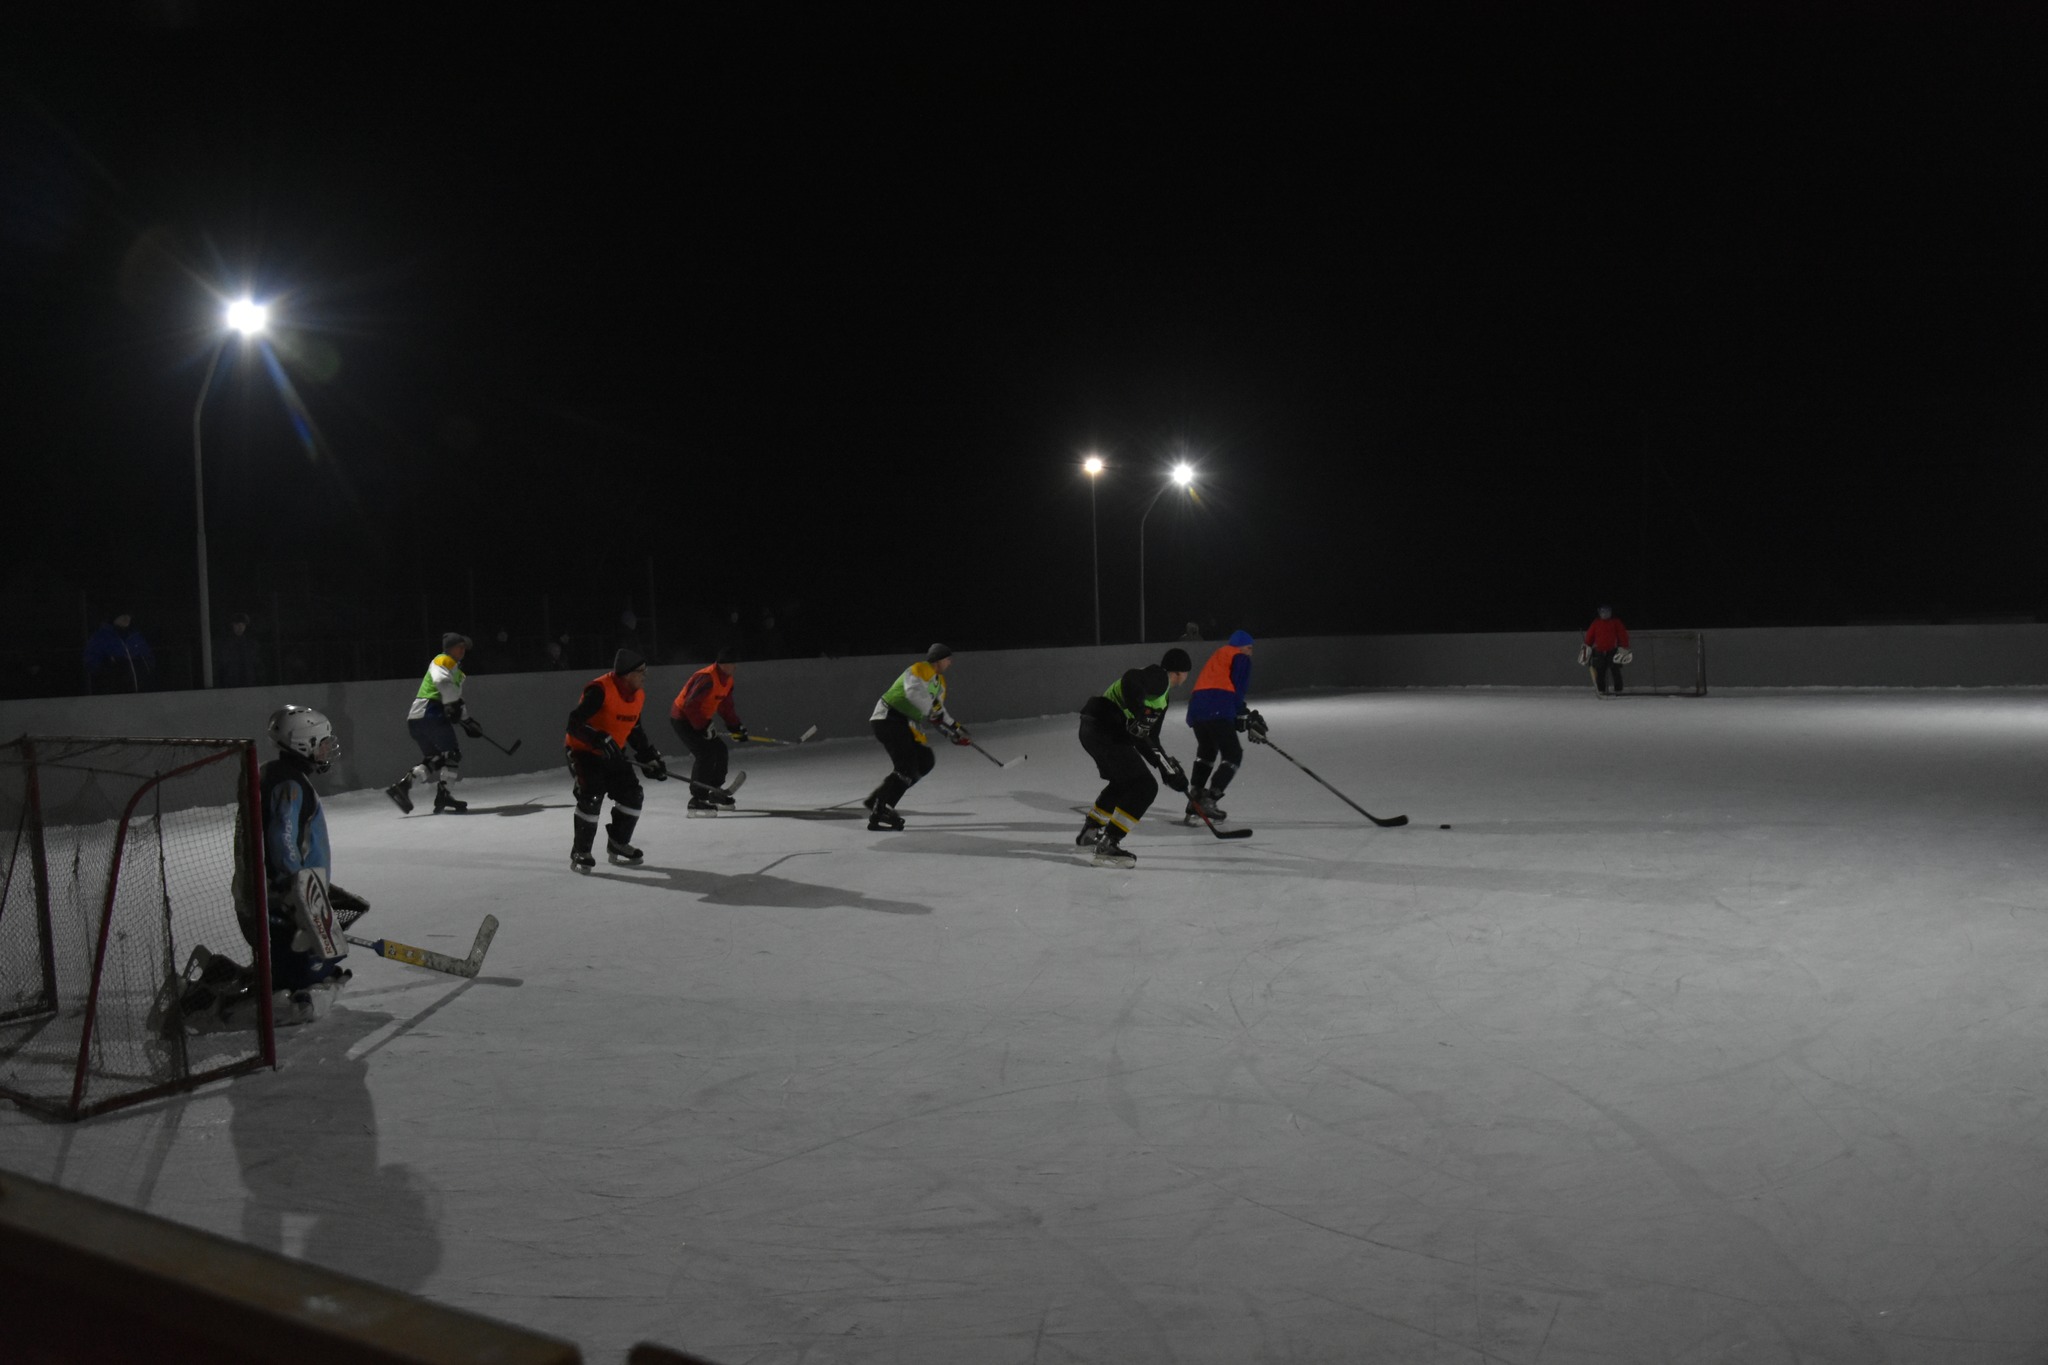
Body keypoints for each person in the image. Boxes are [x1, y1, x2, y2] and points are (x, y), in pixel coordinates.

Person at [1075, 650, 1193, 868]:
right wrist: (1138, 713)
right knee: (1145, 786)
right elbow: (1130, 679)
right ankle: (1108, 844)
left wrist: (1165, 767)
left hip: (1094, 727)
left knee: (1124, 782)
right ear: (1181, 672)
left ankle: (1090, 833)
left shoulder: (1161, 697)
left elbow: (1148, 739)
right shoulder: (1159, 678)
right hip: (1105, 726)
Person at [564, 648, 668, 871]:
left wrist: (649, 757)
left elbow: (634, 729)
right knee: (592, 795)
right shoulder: (600, 690)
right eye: (641, 671)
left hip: (612, 753)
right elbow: (574, 723)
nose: (645, 676)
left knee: (632, 795)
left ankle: (618, 843)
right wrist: (596, 737)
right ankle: (581, 851)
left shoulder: (638, 695)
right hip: (583, 752)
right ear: (627, 674)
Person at [864, 643, 971, 832]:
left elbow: (938, 713)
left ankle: (880, 801)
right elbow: (912, 693)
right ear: (938, 659)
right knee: (906, 765)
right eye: (947, 659)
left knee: (925, 761)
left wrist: (954, 731)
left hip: (907, 723)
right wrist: (932, 712)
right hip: (888, 718)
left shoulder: (940, 683)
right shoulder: (920, 669)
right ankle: (880, 808)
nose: (950, 663)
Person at [386, 634, 481, 814]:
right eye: (459, 646)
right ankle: (444, 795)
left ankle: (404, 786)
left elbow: (455, 699)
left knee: (435, 758)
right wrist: (455, 709)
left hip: (416, 717)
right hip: (431, 712)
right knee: (452, 755)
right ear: (449, 648)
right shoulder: (444, 660)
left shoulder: (456, 671)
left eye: (464, 648)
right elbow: (442, 683)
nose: (463, 650)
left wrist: (467, 721)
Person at [1183, 632, 1265, 822]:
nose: (1250, 652)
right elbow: (1238, 688)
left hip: (1197, 708)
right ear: (1240, 646)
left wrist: (1239, 713)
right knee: (1233, 754)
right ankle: (1210, 799)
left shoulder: (1219, 655)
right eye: (1249, 648)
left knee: (1207, 751)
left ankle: (1195, 797)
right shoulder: (1240, 657)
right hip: (1218, 708)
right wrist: (1242, 713)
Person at [668, 647, 747, 816]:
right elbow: (690, 705)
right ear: (723, 664)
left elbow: (726, 707)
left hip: (699, 719)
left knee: (720, 750)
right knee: (705, 754)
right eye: (733, 663)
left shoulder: (727, 680)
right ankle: (697, 799)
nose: (735, 667)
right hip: (682, 718)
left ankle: (713, 791)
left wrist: (735, 727)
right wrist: (703, 726)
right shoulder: (707, 678)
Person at [82, 612, 155, 693]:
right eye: (122, 615)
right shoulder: (101, 637)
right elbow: (91, 663)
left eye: (128, 615)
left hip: (141, 692)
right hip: (114, 694)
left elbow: (149, 659)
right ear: (114, 617)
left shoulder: (136, 635)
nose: (126, 618)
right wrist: (110, 669)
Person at [1581, 604, 1631, 697]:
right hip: (1599, 651)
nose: (1605, 614)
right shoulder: (1596, 623)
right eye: (1603, 612)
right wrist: (1587, 646)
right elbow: (1590, 636)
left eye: (1607, 611)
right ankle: (1601, 690)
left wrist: (1624, 646)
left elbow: (1622, 635)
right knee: (1600, 671)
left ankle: (1618, 689)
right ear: (1599, 612)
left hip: (1613, 650)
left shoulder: (1615, 622)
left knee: (1615, 670)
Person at [215, 612, 266, 689]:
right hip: (230, 684)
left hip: (249, 683)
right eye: (237, 624)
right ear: (233, 625)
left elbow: (257, 663)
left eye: (242, 625)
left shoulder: (251, 644)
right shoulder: (225, 643)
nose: (240, 627)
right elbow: (221, 664)